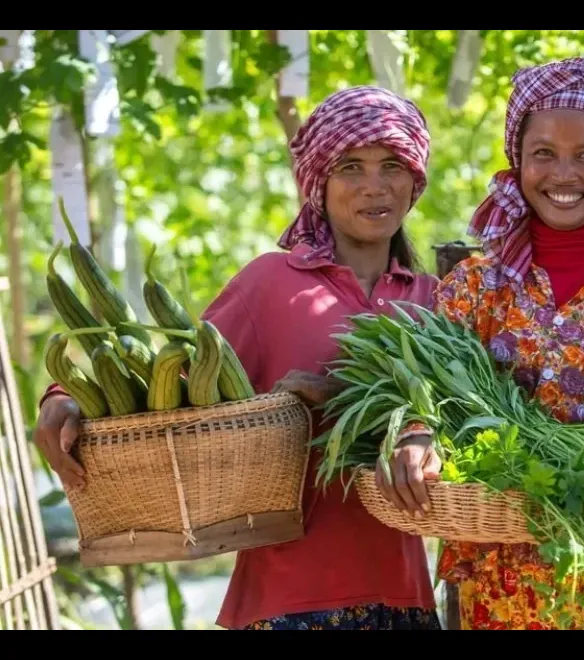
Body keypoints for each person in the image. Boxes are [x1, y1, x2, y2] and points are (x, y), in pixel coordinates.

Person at [32, 86, 443, 631]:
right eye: (350, 166)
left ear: (414, 180)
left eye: (392, 165)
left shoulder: (436, 300)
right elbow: (167, 384)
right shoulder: (268, 285)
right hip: (286, 598)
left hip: (407, 600)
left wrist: (350, 402)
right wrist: (64, 397)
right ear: (319, 184)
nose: (374, 186)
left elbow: (466, 428)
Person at [373, 57, 584, 630]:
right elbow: (429, 398)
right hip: (503, 580)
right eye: (544, 154)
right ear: (518, 160)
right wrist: (415, 434)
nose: (564, 174)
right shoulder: (474, 287)